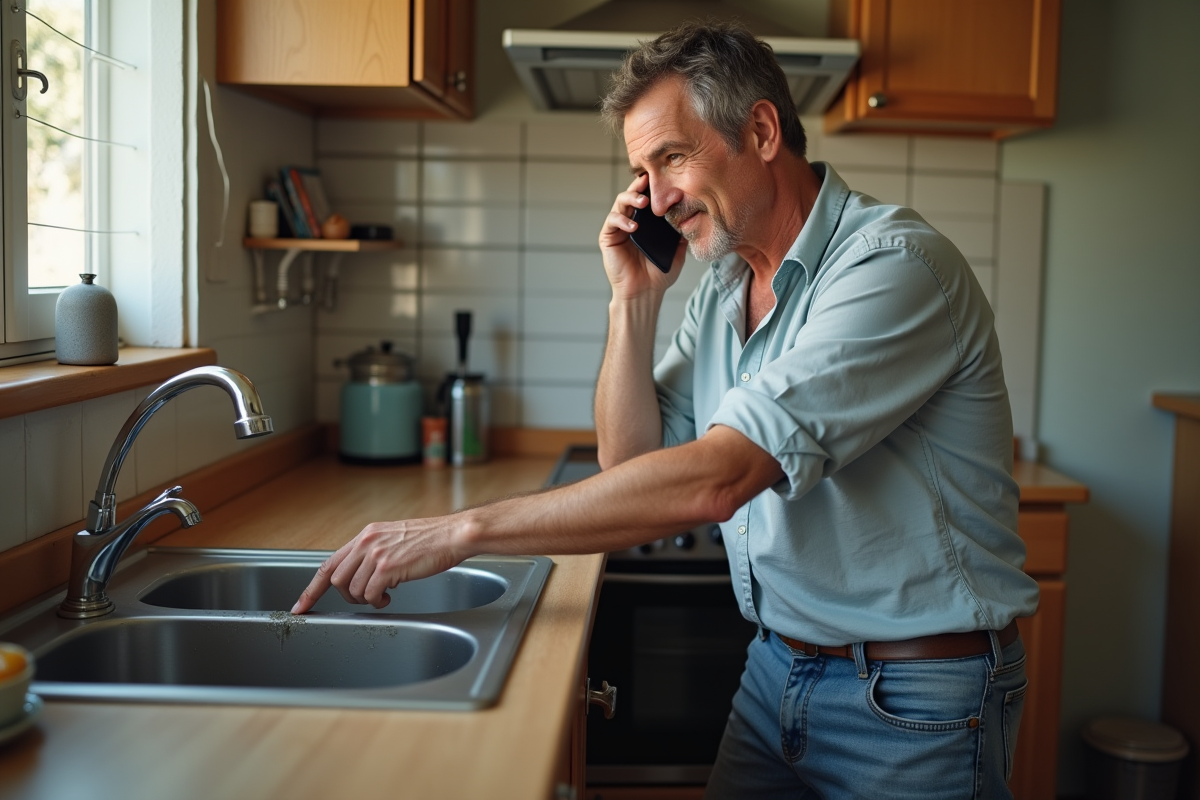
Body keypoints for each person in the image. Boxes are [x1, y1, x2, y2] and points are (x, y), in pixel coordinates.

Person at [292, 20, 1037, 800]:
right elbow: (632, 464)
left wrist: (465, 529)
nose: (657, 196)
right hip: (779, 666)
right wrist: (633, 300)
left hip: (915, 696)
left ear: (759, 130)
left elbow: (717, 480)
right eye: (643, 171)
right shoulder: (723, 291)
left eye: (672, 157)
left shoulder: (893, 268)